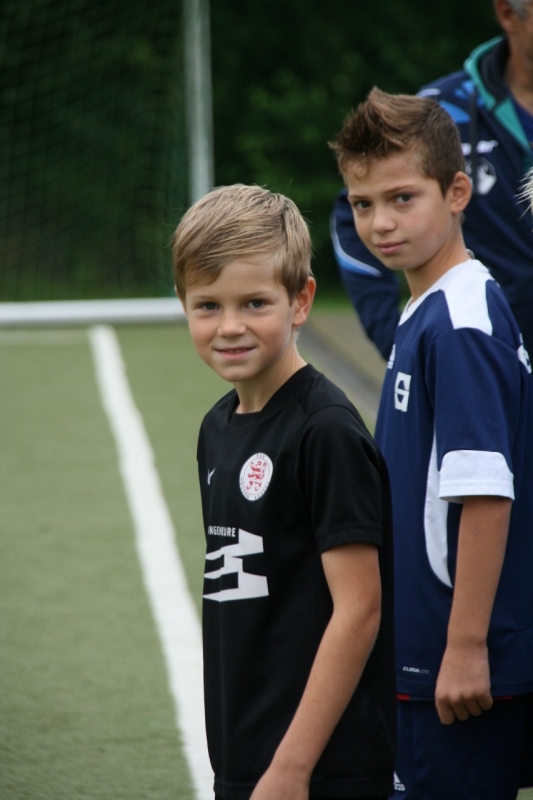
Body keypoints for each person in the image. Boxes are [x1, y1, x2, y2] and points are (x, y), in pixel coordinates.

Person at [329, 89, 533, 800]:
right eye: (361, 204)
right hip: (427, 650)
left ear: (456, 193)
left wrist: (465, 646)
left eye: (401, 198)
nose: (379, 223)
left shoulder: (460, 323)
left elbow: (485, 493)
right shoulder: (429, 307)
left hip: (455, 661)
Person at [171, 184, 396, 800]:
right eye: (208, 305)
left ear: (301, 301)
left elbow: (360, 609)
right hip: (246, 750)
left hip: (319, 766)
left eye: (255, 303)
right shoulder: (216, 427)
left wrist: (293, 766)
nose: (230, 326)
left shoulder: (325, 430)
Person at [331, 0, 533, 361]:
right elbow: (353, 209)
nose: (381, 220)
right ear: (508, 13)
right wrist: (395, 338)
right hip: (477, 358)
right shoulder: (442, 112)